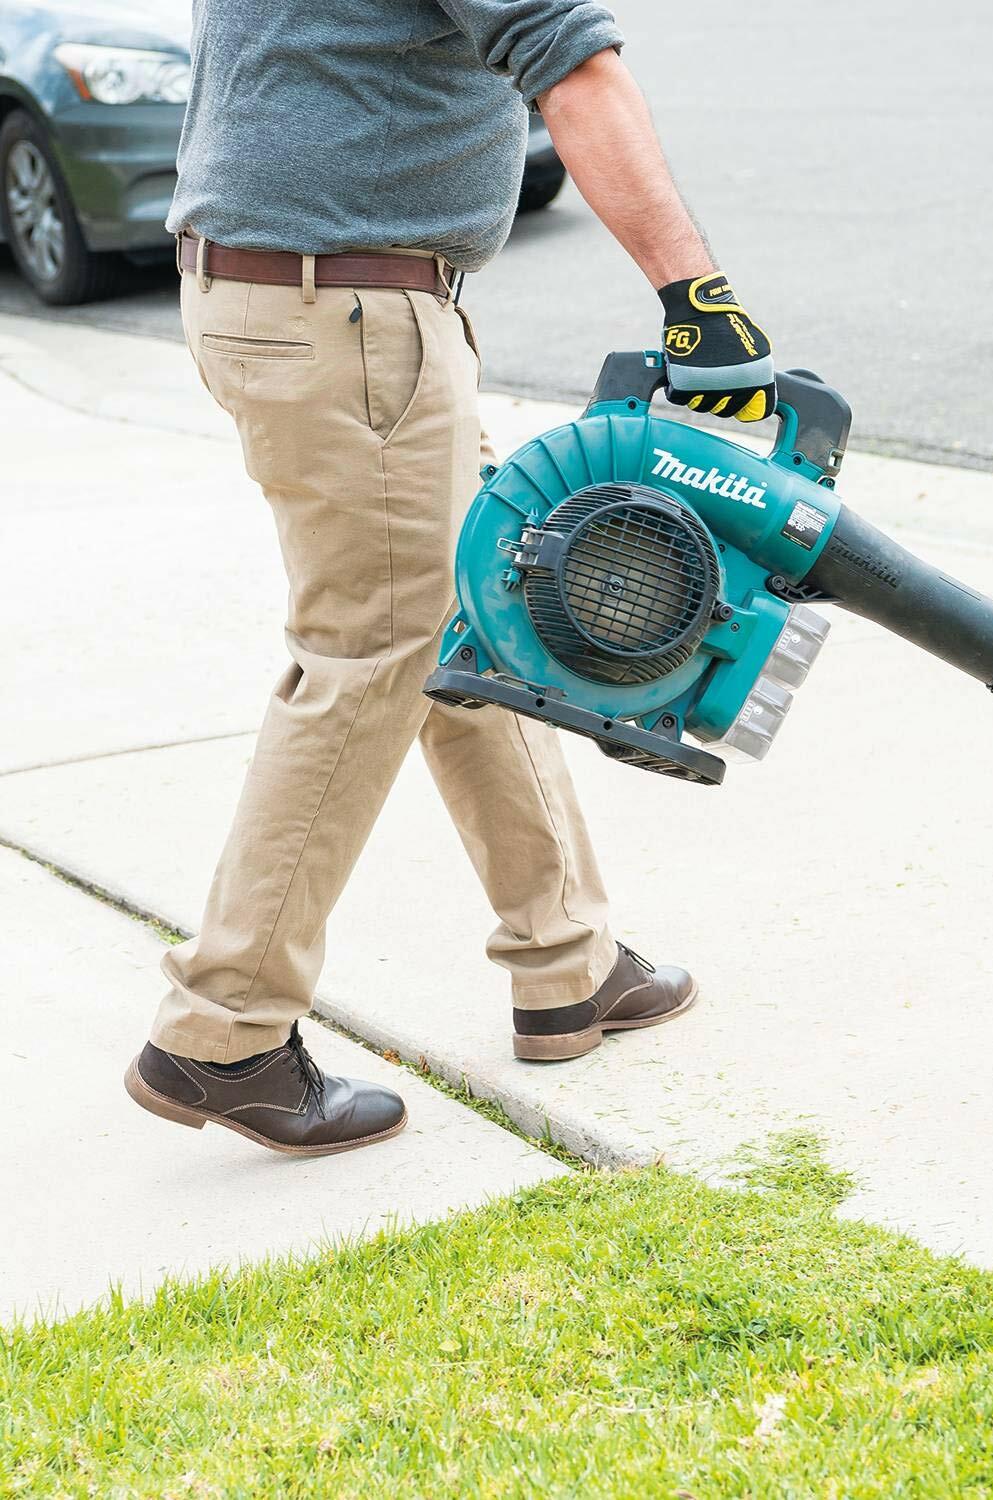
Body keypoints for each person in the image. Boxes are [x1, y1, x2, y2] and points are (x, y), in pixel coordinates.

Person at [123, 0, 776, 1157]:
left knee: (472, 624)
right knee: (369, 655)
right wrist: (700, 302)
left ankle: (567, 960)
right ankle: (220, 1033)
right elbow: (573, 68)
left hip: (284, 296)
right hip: (353, 317)